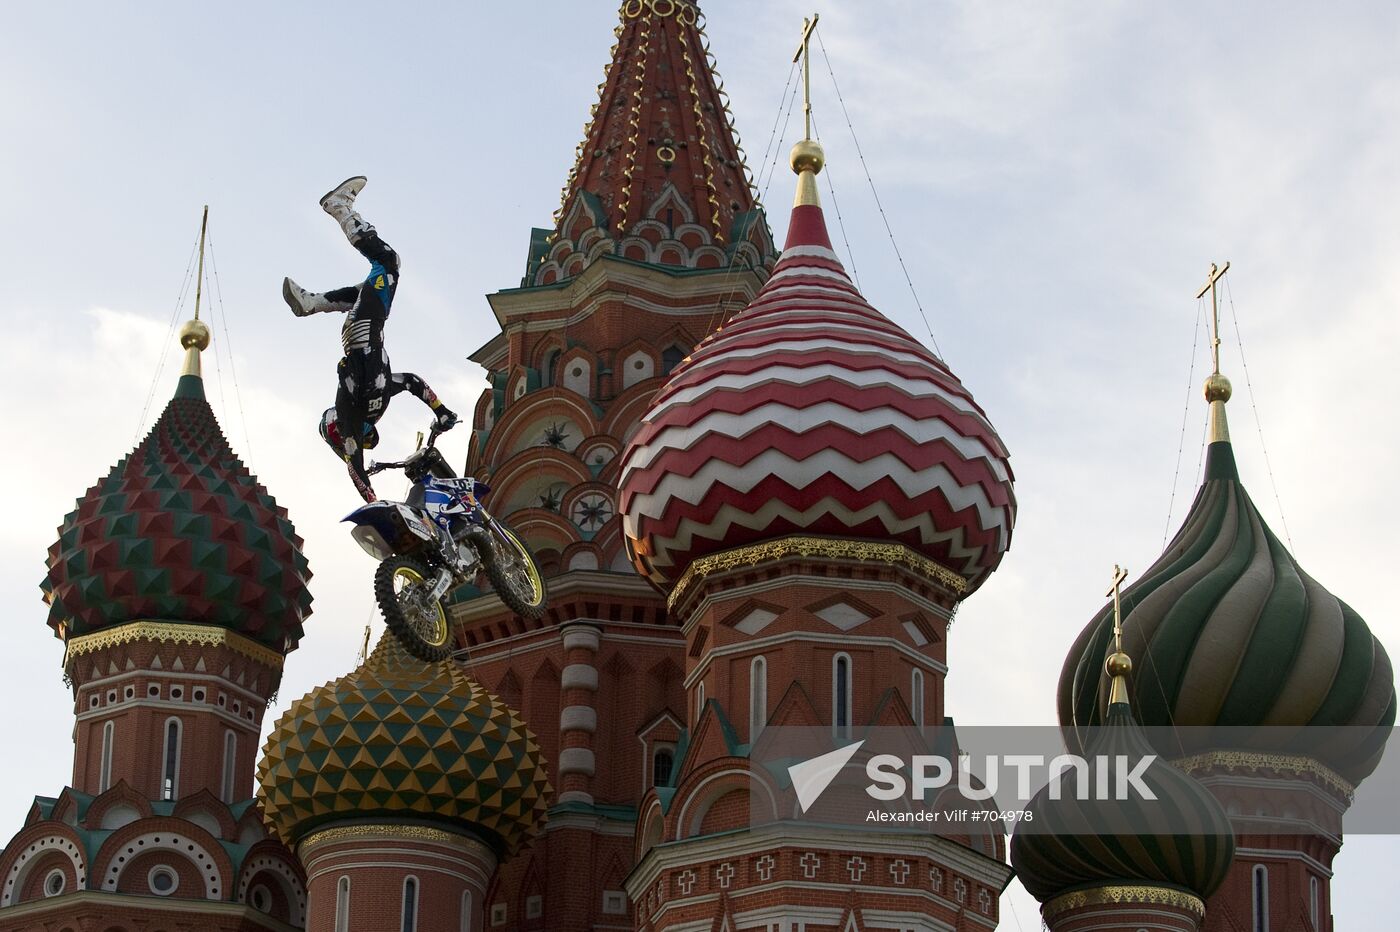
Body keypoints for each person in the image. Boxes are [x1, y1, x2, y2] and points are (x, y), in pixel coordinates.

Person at [283, 176, 457, 502]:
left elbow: (354, 465)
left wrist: (371, 500)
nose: (363, 440)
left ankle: (340, 210)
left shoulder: (350, 408)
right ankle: (312, 302)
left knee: (389, 264)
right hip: (363, 328)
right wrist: (441, 410)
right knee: (372, 284)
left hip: (363, 330)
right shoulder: (374, 402)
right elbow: (410, 381)